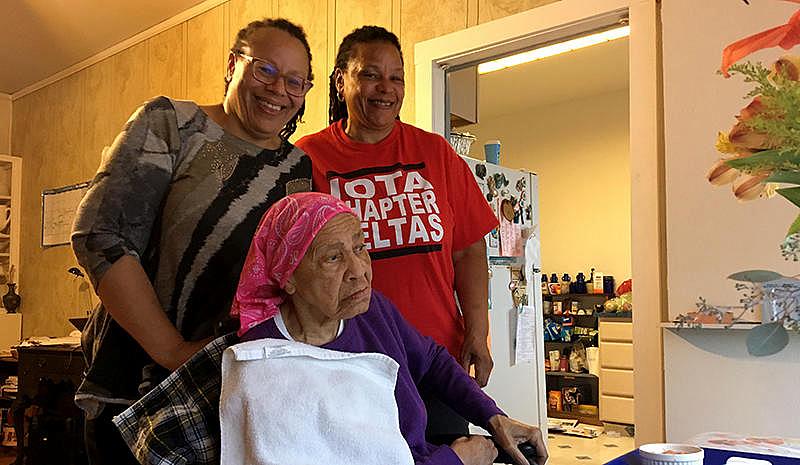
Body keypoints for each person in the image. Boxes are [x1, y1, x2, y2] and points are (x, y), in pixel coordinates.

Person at [113, 192, 548, 465]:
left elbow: (432, 360)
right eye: (333, 258)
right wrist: (457, 459)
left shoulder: (372, 309)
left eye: (361, 248)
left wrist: (492, 417)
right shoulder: (267, 361)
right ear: (287, 276)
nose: (360, 271)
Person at [70, 18, 315, 464]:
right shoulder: (173, 124)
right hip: (138, 391)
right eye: (265, 69)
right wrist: (173, 351)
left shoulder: (299, 169)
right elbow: (102, 237)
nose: (280, 89)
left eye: (296, 81)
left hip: (234, 395)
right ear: (232, 65)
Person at [294, 25, 498, 438]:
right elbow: (291, 265)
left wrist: (478, 329)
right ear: (341, 81)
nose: (385, 88)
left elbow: (468, 250)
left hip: (436, 362)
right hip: (346, 363)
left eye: (396, 76)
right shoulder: (306, 159)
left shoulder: (435, 152)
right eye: (370, 74)